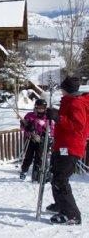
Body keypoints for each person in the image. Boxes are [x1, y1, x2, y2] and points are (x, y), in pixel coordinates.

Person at [46, 77, 89, 225]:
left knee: (61, 179)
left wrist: (58, 118)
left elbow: (78, 126)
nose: (61, 91)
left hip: (71, 147)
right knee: (56, 175)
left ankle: (72, 215)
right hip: (62, 145)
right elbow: (65, 118)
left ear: (68, 90)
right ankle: (61, 204)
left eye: (63, 88)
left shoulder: (77, 103)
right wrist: (55, 113)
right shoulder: (69, 100)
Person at [19, 99, 52, 181]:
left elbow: (52, 129)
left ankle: (36, 174)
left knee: (39, 157)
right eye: (39, 107)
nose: (41, 109)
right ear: (36, 107)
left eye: (43, 107)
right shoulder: (30, 115)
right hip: (31, 139)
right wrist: (26, 126)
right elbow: (22, 128)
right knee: (28, 157)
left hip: (41, 140)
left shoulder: (48, 117)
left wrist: (44, 125)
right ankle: (24, 171)